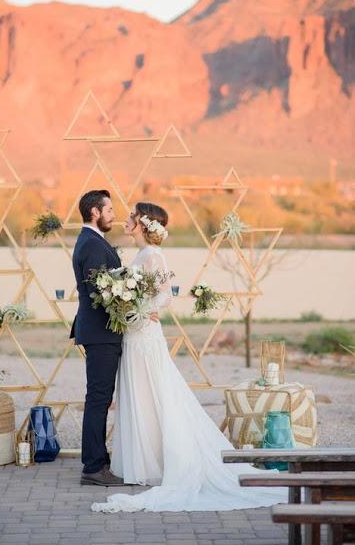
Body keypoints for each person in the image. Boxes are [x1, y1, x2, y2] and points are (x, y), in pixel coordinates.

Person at [91, 201, 287, 512]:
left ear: (142, 223)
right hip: (134, 334)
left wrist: (142, 312)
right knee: (139, 394)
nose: (125, 219)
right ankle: (141, 462)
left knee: (152, 393)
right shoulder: (141, 254)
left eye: (131, 216)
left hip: (144, 335)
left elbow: (165, 295)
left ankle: (155, 463)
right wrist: (128, 308)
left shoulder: (153, 255)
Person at [71, 189, 126, 486]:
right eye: (109, 209)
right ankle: (93, 467)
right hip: (101, 332)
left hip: (101, 331)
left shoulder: (92, 240)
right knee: (98, 399)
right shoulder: (91, 244)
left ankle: (98, 460)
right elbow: (99, 292)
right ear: (95, 212)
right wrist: (128, 301)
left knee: (100, 398)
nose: (113, 215)